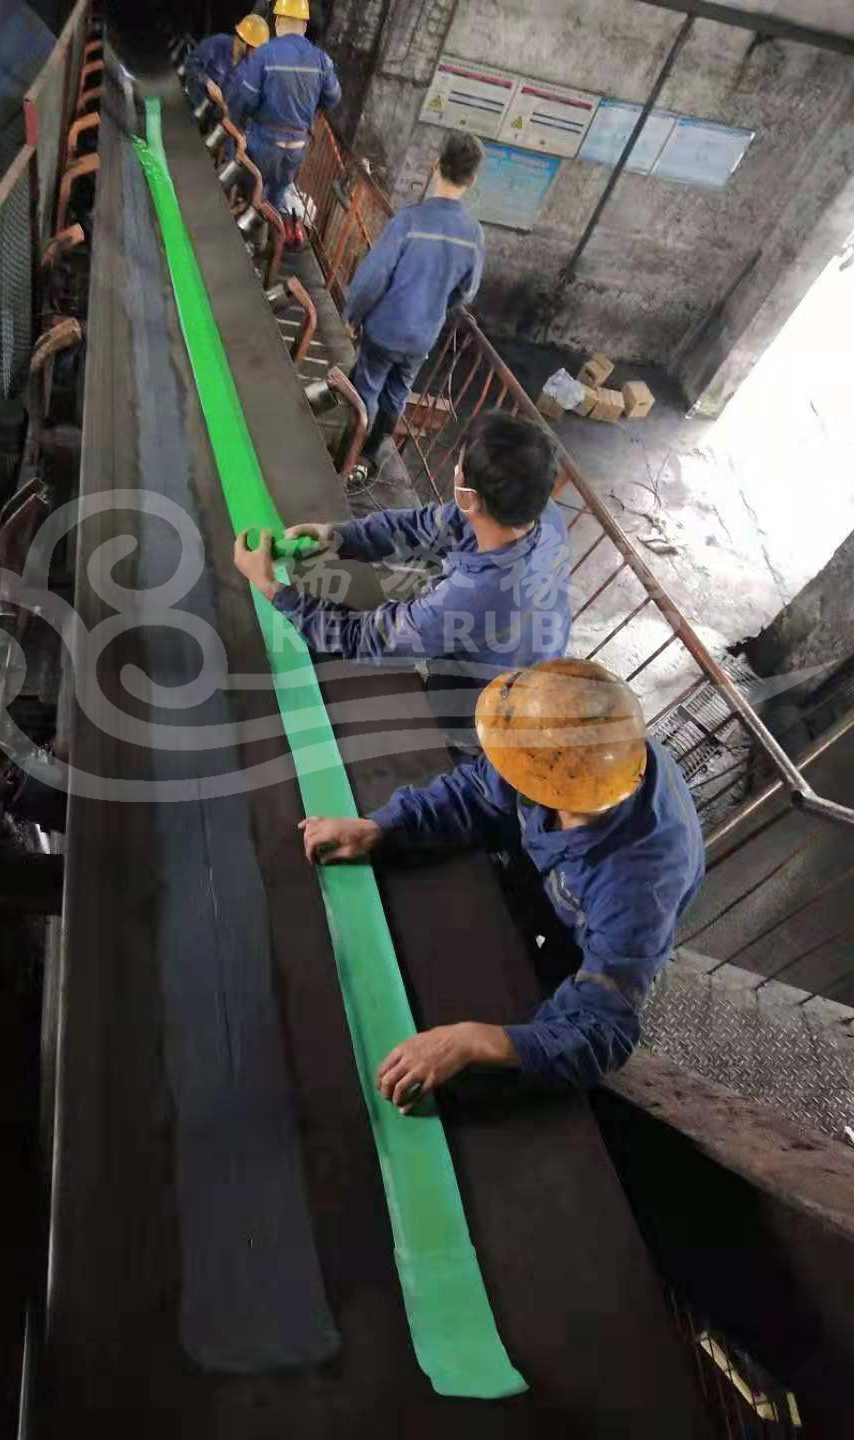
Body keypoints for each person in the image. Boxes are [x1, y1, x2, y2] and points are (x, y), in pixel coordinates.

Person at [299, 659, 705, 1098]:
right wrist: (382, 827)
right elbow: (478, 789)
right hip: (556, 873)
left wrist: (478, 1042)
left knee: (547, 995)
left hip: (591, 924)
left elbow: (603, 1026)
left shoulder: (635, 893)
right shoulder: (567, 749)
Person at [232, 411, 571, 680]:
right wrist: (338, 536)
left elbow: (370, 639)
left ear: (469, 497)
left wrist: (273, 589)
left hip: (487, 698)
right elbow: (424, 526)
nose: (455, 470)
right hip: (527, 650)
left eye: (459, 467)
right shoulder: (539, 511)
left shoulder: (471, 597)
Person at [345, 132, 485, 478]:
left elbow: (372, 279)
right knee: (397, 393)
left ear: (436, 166)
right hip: (422, 337)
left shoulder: (409, 221)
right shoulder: (473, 234)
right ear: (472, 180)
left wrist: (353, 315)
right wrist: (436, 306)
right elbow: (467, 292)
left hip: (385, 329)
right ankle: (370, 456)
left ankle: (346, 453)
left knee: (367, 388)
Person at [226, 0, 341, 249]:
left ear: (277, 22)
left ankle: (237, 232)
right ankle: (260, 244)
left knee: (247, 179)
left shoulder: (265, 53)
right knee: (275, 196)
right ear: (304, 25)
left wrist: (234, 129)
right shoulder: (321, 60)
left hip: (265, 141)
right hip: (297, 148)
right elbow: (333, 97)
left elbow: (245, 98)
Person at [183, 13, 270, 109]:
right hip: (192, 100)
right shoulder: (218, 43)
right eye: (255, 48)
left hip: (215, 111)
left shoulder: (249, 65)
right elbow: (190, 62)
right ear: (244, 41)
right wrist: (208, 83)